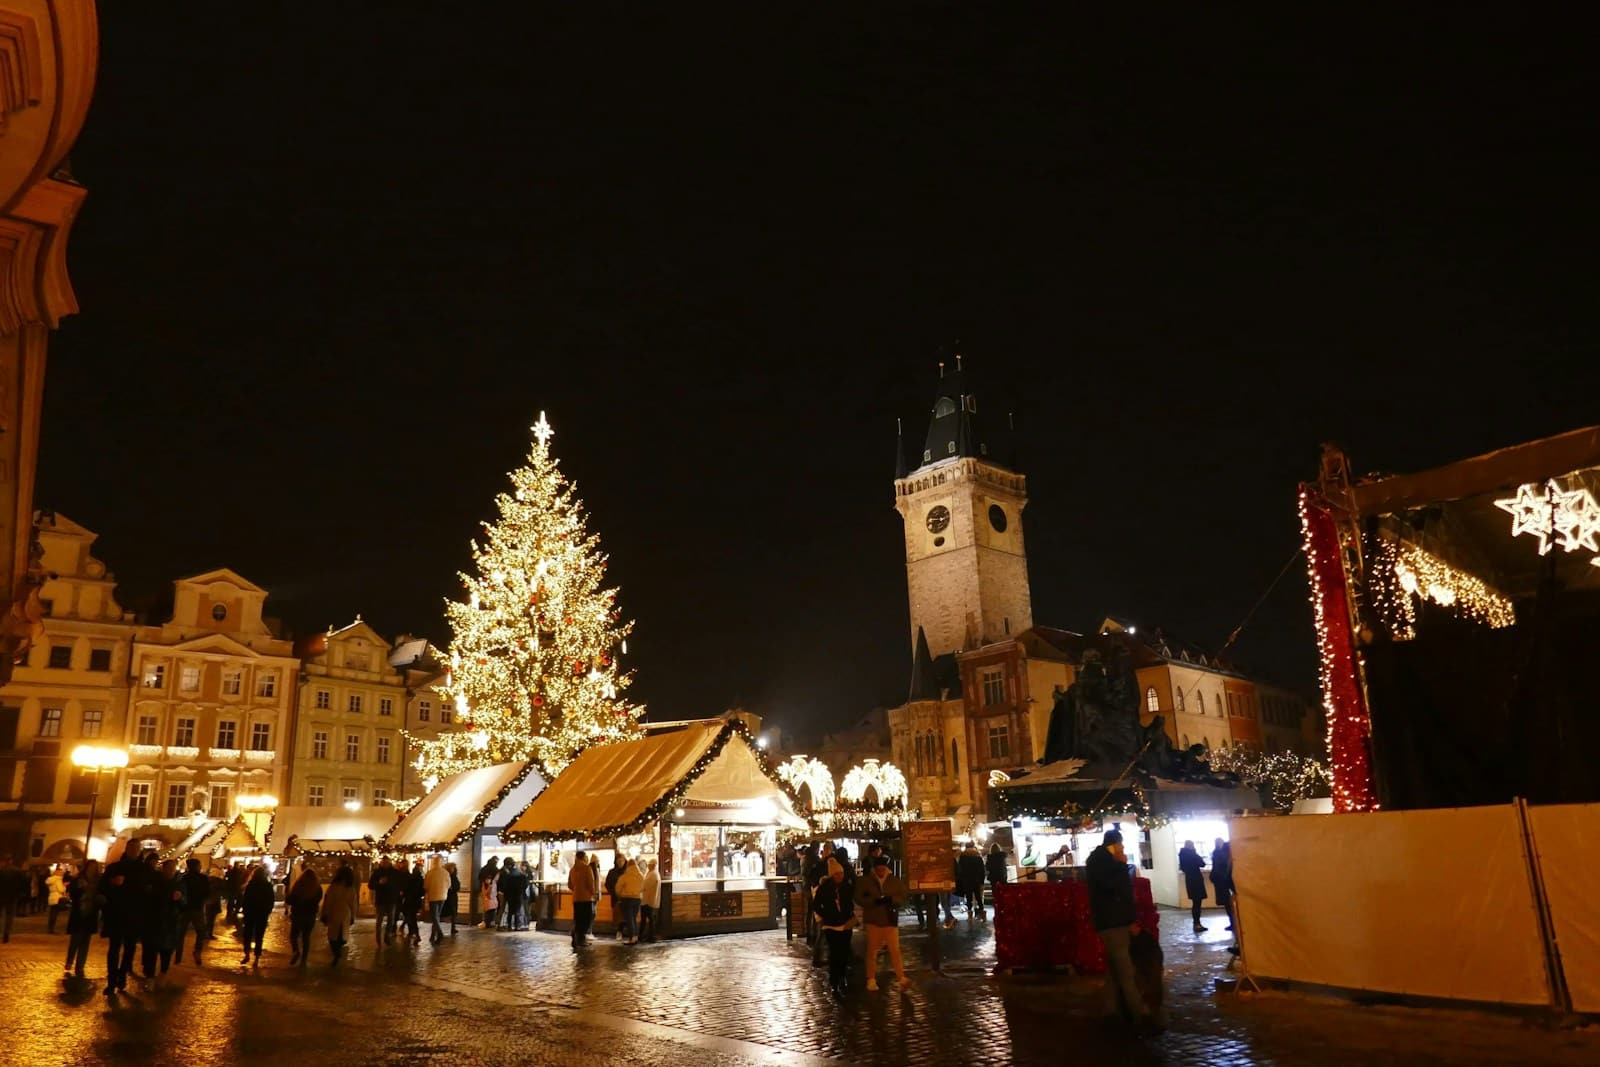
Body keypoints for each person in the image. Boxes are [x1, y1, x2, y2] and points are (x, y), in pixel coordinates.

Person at [1087, 829, 1158, 1031]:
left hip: (1109, 922)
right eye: (1122, 845)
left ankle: (1110, 1012)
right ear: (1116, 845)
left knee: (1114, 970)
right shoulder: (1107, 863)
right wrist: (1121, 865)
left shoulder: (1098, 860)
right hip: (1114, 923)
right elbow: (1117, 889)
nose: (1123, 849)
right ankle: (1141, 1016)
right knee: (1127, 972)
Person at [856, 853, 910, 992]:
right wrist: (872, 901)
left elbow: (903, 895)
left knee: (895, 950)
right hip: (873, 920)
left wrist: (892, 900)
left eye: (883, 868)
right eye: (878, 869)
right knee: (872, 951)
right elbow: (858, 897)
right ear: (875, 869)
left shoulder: (893, 880)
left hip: (889, 919)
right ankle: (871, 979)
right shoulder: (867, 881)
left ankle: (901, 977)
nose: (881, 871)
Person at [811, 856, 857, 996]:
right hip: (831, 925)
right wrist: (827, 914)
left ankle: (842, 977)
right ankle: (834, 981)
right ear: (832, 875)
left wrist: (849, 914)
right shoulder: (824, 888)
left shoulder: (845, 887)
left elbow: (850, 902)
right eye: (837, 874)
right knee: (835, 953)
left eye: (841, 874)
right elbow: (817, 905)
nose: (840, 876)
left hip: (845, 923)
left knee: (844, 952)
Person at [99, 850, 143, 994]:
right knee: (115, 949)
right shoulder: (114, 868)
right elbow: (102, 889)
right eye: (133, 847)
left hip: (133, 915)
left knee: (128, 949)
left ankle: (122, 975)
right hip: (117, 915)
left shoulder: (142, 869)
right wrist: (112, 884)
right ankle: (112, 980)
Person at [139, 857, 185, 980]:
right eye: (168, 868)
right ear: (163, 869)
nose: (170, 871)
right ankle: (150, 976)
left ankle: (163, 973)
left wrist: (180, 898)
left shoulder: (179, 884)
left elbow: (185, 903)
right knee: (152, 950)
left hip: (171, 922)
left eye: (172, 868)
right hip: (154, 921)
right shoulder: (154, 882)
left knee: (167, 951)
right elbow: (147, 900)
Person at [64, 859, 102, 980]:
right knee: (75, 940)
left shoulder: (98, 882)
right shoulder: (78, 879)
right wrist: (80, 889)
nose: (92, 870)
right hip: (78, 914)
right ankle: (70, 961)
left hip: (90, 914)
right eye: (90, 867)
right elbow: (71, 892)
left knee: (85, 942)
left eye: (94, 868)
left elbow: (100, 896)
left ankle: (80, 966)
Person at [321, 864, 358, 966]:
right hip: (346, 913)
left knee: (333, 936)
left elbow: (328, 902)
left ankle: (336, 954)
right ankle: (338, 953)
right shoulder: (351, 889)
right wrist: (353, 916)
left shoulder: (333, 888)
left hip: (335, 911)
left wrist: (325, 913)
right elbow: (353, 904)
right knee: (341, 934)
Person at [176, 857, 211, 963]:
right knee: (200, 932)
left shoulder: (183, 878)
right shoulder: (203, 878)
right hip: (197, 908)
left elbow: (179, 893)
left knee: (180, 934)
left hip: (184, 909)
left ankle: (178, 956)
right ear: (196, 866)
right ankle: (197, 952)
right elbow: (207, 892)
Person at [286, 866, 324, 965]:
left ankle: (296, 951)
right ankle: (304, 959)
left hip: (298, 914)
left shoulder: (298, 885)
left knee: (294, 935)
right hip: (310, 915)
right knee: (306, 937)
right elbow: (318, 899)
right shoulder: (317, 888)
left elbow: (290, 899)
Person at [239, 865, 275, 966]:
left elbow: (245, 900)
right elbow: (271, 900)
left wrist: (245, 911)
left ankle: (246, 955)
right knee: (259, 936)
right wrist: (268, 911)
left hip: (250, 913)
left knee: (248, 934)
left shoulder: (250, 885)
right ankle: (257, 958)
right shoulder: (268, 885)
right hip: (262, 913)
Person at [568, 849, 596, 949]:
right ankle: (580, 938)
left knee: (578, 919)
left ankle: (576, 936)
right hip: (586, 898)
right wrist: (593, 893)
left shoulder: (572, 869)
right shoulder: (587, 868)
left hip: (576, 898)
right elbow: (591, 883)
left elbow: (570, 885)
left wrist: (576, 890)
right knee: (586, 919)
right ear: (584, 857)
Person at [1178, 840, 1208, 933]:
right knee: (1197, 903)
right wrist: (1195, 853)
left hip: (1189, 879)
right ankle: (1197, 923)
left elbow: (1183, 868)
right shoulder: (1192, 854)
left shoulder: (1182, 855)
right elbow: (1202, 863)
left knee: (1195, 902)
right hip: (1196, 879)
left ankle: (1196, 923)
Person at [369, 857, 400, 946]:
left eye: (387, 862)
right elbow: (370, 885)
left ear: (389, 862)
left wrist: (396, 893)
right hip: (381, 900)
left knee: (391, 920)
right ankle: (378, 939)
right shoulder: (377, 872)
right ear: (382, 863)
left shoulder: (394, 872)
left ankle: (386, 936)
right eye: (384, 862)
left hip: (391, 899)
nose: (385, 864)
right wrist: (379, 883)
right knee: (379, 920)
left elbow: (398, 884)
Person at [615, 858, 643, 944]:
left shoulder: (625, 876)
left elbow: (618, 888)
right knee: (634, 919)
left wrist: (620, 894)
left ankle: (632, 938)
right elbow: (643, 887)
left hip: (627, 899)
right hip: (637, 899)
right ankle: (635, 937)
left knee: (629, 919)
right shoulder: (641, 875)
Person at [0, 853, 27, 942]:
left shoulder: (1, 870)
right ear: (11, 861)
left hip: (1, 895)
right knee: (9, 915)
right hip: (12, 896)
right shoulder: (17, 871)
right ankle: (6, 934)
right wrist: (21, 893)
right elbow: (23, 883)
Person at [424, 856, 451, 945]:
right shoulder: (445, 873)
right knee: (437, 916)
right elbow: (449, 884)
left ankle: (439, 933)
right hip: (443, 896)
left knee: (434, 917)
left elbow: (426, 886)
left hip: (433, 896)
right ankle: (433, 934)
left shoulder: (430, 873)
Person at [958, 842, 987, 921]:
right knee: (978, 897)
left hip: (967, 880)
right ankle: (983, 915)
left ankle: (970, 916)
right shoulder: (978, 856)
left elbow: (960, 870)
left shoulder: (963, 857)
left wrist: (962, 880)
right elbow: (982, 870)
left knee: (969, 898)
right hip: (977, 880)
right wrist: (982, 881)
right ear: (974, 846)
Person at [497, 856, 526, 932]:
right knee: (517, 911)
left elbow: (505, 886)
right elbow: (525, 884)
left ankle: (509, 926)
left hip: (510, 896)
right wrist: (521, 891)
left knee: (510, 911)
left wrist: (505, 893)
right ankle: (517, 926)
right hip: (518, 895)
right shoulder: (520, 874)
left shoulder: (509, 875)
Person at [402, 860, 426, 945]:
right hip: (416, 901)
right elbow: (423, 891)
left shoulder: (411, 878)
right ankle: (414, 933)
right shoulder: (421, 880)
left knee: (410, 918)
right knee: (412, 918)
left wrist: (404, 895)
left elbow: (406, 889)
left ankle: (415, 934)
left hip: (409, 901)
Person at [639, 859, 660, 942]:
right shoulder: (654, 873)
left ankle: (646, 936)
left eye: (649, 864)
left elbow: (644, 886)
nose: (648, 866)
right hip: (650, 900)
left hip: (647, 901)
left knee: (646, 919)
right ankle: (649, 936)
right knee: (650, 919)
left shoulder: (652, 874)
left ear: (653, 865)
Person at [604, 858, 624, 939]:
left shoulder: (626, 871)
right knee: (617, 914)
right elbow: (607, 883)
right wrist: (612, 892)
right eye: (619, 861)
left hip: (624, 897)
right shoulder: (612, 872)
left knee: (624, 914)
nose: (620, 863)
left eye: (622, 861)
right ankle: (618, 931)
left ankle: (621, 931)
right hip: (615, 897)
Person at [46, 865, 68, 934]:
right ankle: (51, 929)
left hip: (52, 897)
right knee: (54, 914)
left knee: (52, 913)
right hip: (57, 897)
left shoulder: (51, 879)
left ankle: (50, 928)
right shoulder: (58, 880)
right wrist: (64, 886)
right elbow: (61, 889)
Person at [480, 861, 499, 930]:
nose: (488, 880)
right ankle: (488, 923)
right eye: (487, 879)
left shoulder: (491, 885)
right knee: (488, 913)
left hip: (491, 902)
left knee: (491, 912)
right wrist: (490, 889)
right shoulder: (487, 886)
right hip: (489, 901)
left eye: (489, 879)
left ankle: (490, 923)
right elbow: (487, 894)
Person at [444, 861, 461, 935]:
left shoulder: (453, 876)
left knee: (453, 912)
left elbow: (457, 886)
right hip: (448, 896)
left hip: (451, 896)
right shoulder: (447, 876)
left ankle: (453, 927)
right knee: (450, 911)